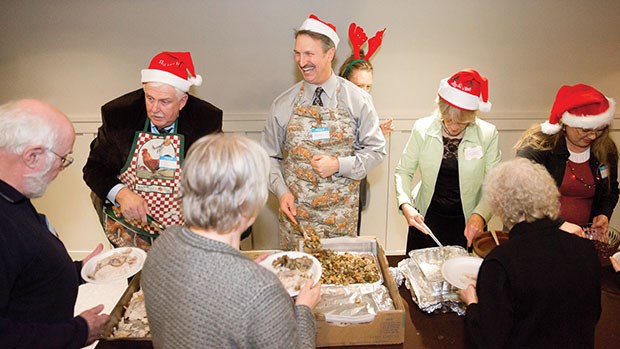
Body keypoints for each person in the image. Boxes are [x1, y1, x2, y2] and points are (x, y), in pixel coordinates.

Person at [141, 133, 321, 348]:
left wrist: (243, 270)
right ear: (247, 201)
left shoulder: (163, 244)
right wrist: (304, 310)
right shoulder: (262, 291)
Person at [261, 14, 386, 250]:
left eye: (309, 54)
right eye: (297, 53)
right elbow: (268, 156)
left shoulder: (358, 100)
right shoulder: (283, 104)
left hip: (340, 223)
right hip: (296, 222)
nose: (301, 61)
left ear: (329, 54)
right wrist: (281, 191)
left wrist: (339, 165)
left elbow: (376, 151)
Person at [83, 51, 223, 248]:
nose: (154, 109)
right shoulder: (119, 115)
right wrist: (122, 194)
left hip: (185, 227)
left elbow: (218, 178)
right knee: (141, 277)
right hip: (132, 226)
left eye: (164, 102)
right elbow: (94, 169)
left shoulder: (205, 120)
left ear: (182, 102)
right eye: (149, 98)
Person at [0, 99, 110, 348]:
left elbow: (24, 269)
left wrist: (78, 270)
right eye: (64, 158)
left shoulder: (12, 199)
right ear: (32, 156)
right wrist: (79, 332)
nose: (61, 168)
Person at [458, 158, 601, 348]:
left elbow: (487, 340)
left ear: (501, 206)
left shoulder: (501, 262)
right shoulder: (585, 249)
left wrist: (472, 304)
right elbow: (593, 314)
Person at [394, 69, 500, 252]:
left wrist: (480, 216)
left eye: (461, 122)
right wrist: (406, 205)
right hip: (426, 219)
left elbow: (495, 184)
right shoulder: (422, 128)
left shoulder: (487, 134)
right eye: (448, 120)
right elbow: (404, 171)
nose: (453, 127)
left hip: (468, 220)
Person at [515, 83, 618, 233]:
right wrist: (558, 224)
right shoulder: (539, 146)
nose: (593, 136)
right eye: (585, 129)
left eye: (600, 130)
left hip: (580, 238)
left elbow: (611, 190)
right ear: (566, 123)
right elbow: (521, 194)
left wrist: (603, 214)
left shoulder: (606, 150)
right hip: (537, 234)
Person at [338, 22, 392, 235]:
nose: (365, 93)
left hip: (355, 184)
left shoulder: (367, 109)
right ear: (344, 82)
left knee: (353, 236)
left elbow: (363, 149)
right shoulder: (330, 107)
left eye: (369, 86)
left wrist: (376, 133)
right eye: (359, 86)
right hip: (332, 188)